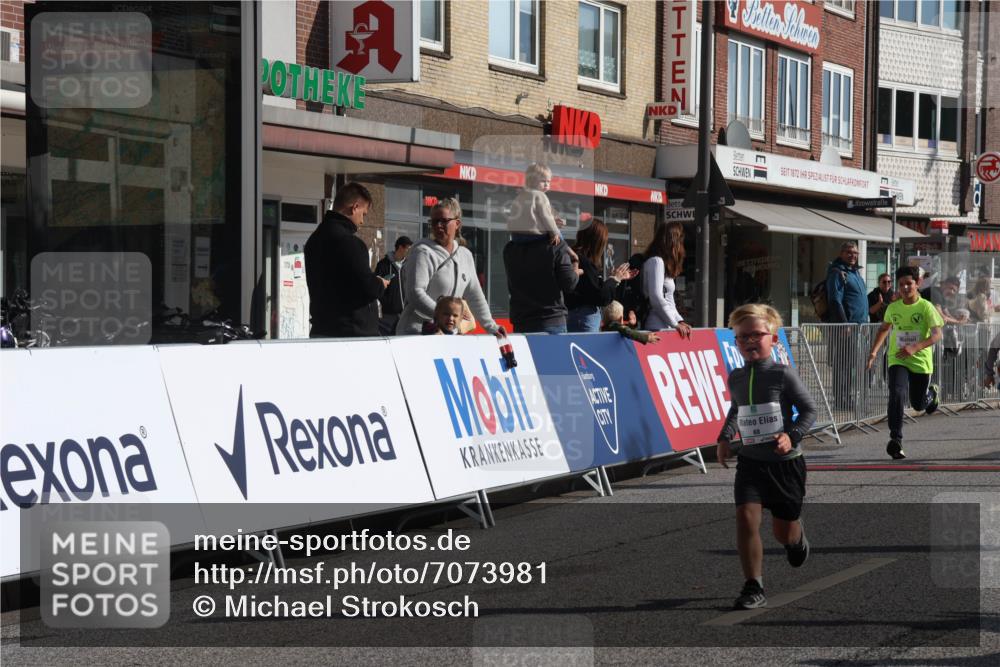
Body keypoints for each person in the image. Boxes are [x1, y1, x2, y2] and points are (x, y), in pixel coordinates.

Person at [716, 304, 817, 610]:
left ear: (772, 338)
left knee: (782, 532)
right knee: (746, 519)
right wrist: (724, 437)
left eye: (756, 335)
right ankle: (753, 585)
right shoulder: (735, 377)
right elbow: (737, 410)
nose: (749, 341)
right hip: (751, 463)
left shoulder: (782, 374)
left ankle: (796, 540)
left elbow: (809, 410)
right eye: (742, 337)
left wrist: (791, 436)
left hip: (785, 465)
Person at [396, 198, 505, 339]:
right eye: (434, 222)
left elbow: (475, 296)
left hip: (447, 334)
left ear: (457, 223)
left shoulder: (465, 255)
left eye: (444, 221)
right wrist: (443, 316)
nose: (438, 226)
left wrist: (492, 327)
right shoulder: (422, 252)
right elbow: (415, 293)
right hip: (416, 333)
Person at [866, 266, 942, 460]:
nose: (905, 288)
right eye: (901, 285)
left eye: (909, 283)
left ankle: (932, 394)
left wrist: (916, 347)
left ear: (917, 284)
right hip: (897, 358)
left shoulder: (926, 307)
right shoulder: (893, 308)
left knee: (918, 405)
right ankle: (896, 440)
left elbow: (937, 335)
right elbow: (884, 329)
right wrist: (874, 352)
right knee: (897, 393)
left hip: (920, 361)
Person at [304, 182, 389, 338]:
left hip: (322, 329)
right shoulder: (349, 242)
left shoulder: (314, 240)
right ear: (354, 207)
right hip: (350, 333)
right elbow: (367, 287)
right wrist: (379, 284)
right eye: (363, 214)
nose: (362, 221)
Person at [503, 226, 581, 334]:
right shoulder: (556, 246)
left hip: (521, 321)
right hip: (551, 320)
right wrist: (575, 266)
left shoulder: (510, 248)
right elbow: (569, 283)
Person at [565, 219, 637, 332]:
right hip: (583, 319)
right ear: (597, 242)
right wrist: (615, 279)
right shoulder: (582, 261)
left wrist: (616, 279)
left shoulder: (576, 259)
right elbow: (600, 296)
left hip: (578, 317)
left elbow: (595, 290)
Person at [825, 242, 867, 410]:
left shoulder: (855, 272)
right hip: (846, 328)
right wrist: (845, 324)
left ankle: (848, 397)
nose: (852, 256)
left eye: (855, 253)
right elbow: (835, 300)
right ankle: (840, 400)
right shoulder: (837, 273)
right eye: (849, 252)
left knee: (851, 364)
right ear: (841, 253)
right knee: (842, 364)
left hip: (859, 327)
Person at [641, 222, 692, 338]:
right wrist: (675, 323)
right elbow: (656, 297)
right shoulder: (656, 262)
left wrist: (679, 321)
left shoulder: (662, 263)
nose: (681, 245)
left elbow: (669, 299)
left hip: (665, 325)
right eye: (680, 240)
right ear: (672, 241)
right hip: (656, 326)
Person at [375, 236, 413, 336]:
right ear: (400, 247)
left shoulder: (409, 265)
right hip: (389, 314)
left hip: (406, 313)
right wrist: (387, 302)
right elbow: (377, 285)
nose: (410, 252)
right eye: (408, 249)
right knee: (389, 338)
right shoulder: (383, 265)